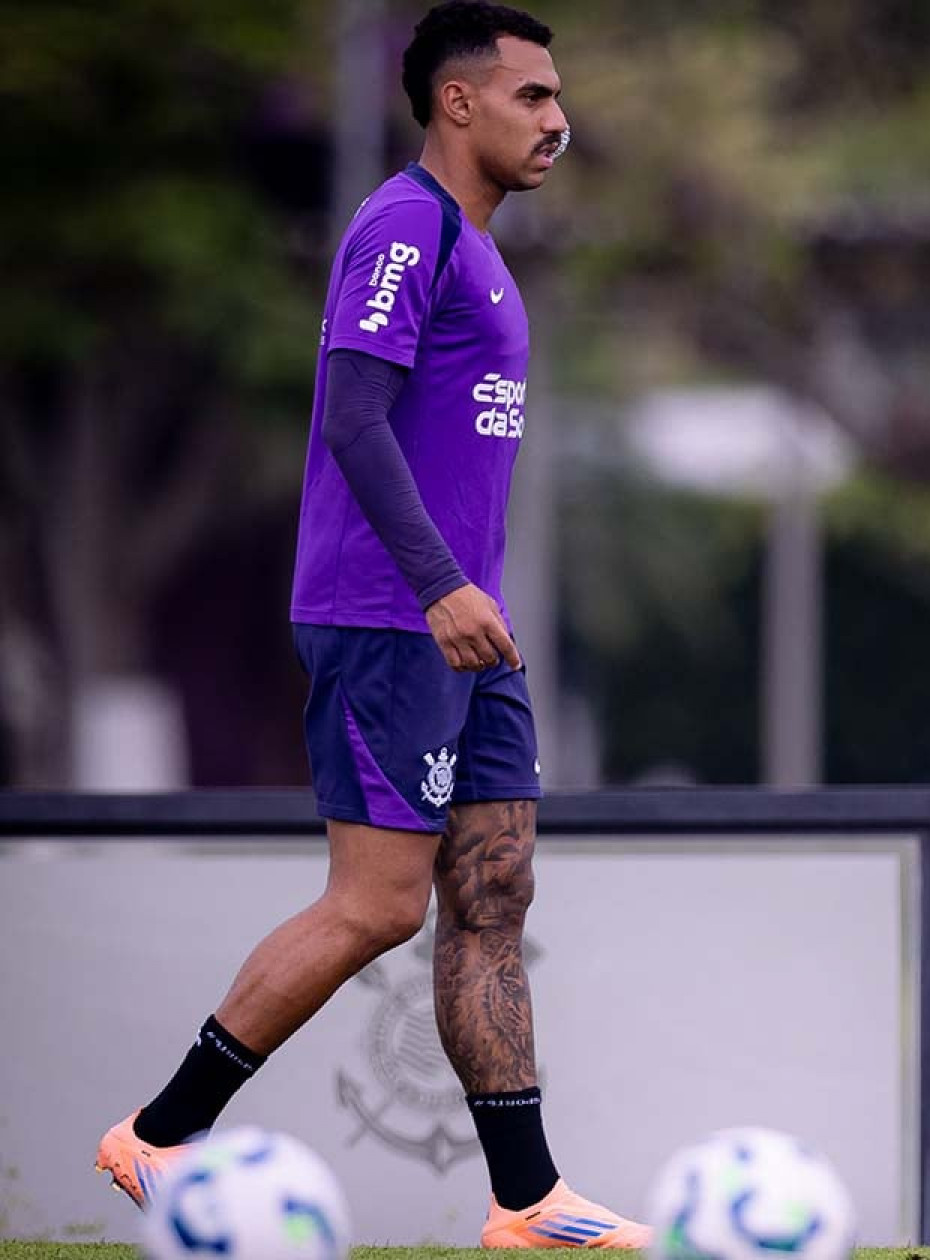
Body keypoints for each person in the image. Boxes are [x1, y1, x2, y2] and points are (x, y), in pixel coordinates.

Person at [94, 2, 647, 1247]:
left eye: (559, 98)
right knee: (379, 904)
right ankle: (157, 1140)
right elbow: (352, 417)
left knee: (493, 890)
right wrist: (441, 585)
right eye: (532, 97)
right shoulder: (405, 226)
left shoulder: (484, 249)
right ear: (458, 102)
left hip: (468, 628)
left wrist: (470, 599)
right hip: (394, 615)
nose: (559, 120)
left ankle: (527, 1201)